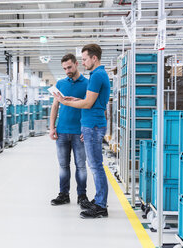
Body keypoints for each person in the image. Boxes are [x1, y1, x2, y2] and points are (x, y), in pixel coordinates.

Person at [53, 44, 110, 219]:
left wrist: (65, 101)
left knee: (95, 166)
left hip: (92, 126)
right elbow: (92, 101)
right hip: (90, 124)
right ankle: (99, 200)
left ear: (94, 58)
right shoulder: (98, 75)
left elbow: (88, 104)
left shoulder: (96, 76)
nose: (84, 62)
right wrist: (75, 99)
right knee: (94, 165)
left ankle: (100, 206)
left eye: (84, 59)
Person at [49, 53, 90, 209]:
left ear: (77, 64)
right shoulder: (60, 84)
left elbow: (89, 107)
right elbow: (55, 106)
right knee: (63, 166)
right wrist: (52, 127)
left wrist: (86, 128)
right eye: (65, 68)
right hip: (62, 132)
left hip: (79, 132)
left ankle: (82, 196)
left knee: (80, 166)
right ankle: (63, 194)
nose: (67, 71)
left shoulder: (87, 84)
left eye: (69, 67)